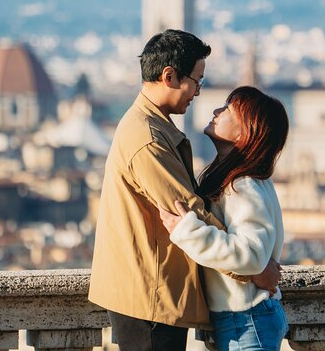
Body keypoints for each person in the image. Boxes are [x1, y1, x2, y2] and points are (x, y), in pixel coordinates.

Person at [88, 30, 281, 351]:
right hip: (150, 294)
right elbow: (186, 212)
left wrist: (250, 264)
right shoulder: (148, 137)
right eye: (197, 80)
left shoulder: (152, 128)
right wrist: (252, 270)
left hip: (155, 291)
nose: (198, 92)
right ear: (169, 76)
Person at [159, 86, 290, 351]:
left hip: (245, 319)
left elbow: (251, 255)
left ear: (246, 131)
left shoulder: (243, 185)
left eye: (229, 109)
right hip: (243, 318)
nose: (218, 111)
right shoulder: (244, 180)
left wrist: (187, 231)